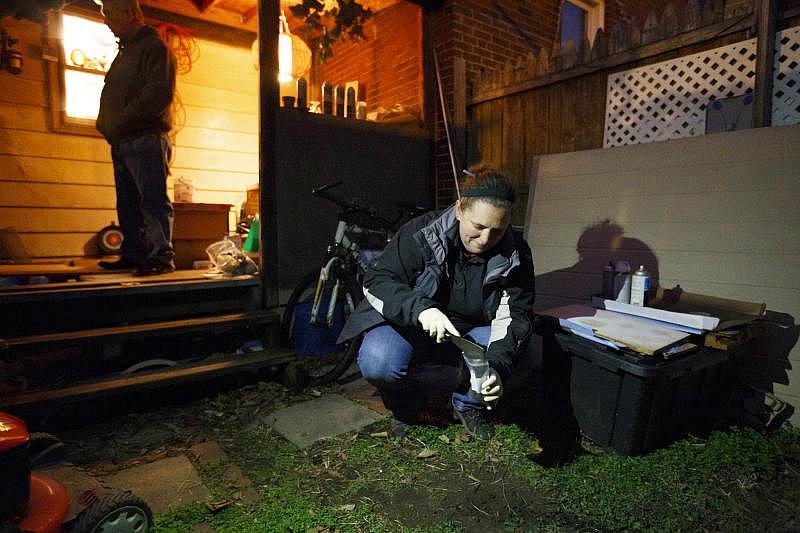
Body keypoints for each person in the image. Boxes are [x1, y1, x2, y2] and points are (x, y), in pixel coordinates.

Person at [338, 166, 535, 439]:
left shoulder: (517, 253)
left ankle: (467, 404)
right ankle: (407, 407)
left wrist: (497, 367)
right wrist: (420, 309)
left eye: (497, 231)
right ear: (459, 210)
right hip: (416, 322)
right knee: (378, 359)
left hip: (474, 331)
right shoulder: (420, 233)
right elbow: (377, 280)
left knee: (526, 352)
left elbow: (517, 315)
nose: (486, 240)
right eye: (478, 227)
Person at [95, 0, 176, 276]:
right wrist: (104, 124)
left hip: (145, 137)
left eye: (110, 14)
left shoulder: (154, 48)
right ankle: (134, 254)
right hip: (122, 139)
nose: (106, 21)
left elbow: (158, 93)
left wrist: (120, 119)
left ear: (130, 13)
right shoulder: (125, 53)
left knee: (151, 200)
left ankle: (160, 256)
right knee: (127, 202)